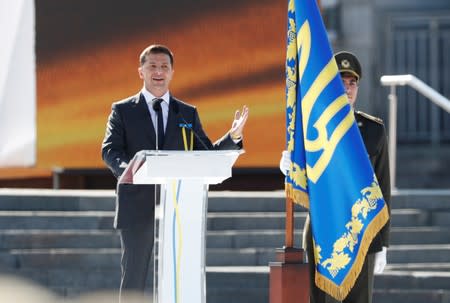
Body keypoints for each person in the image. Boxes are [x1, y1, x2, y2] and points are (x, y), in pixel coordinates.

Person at [101, 44, 249, 301]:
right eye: (152, 66)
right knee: (134, 275)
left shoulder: (186, 112)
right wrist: (129, 171)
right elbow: (110, 150)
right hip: (137, 203)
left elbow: (206, 153)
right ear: (141, 71)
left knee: (180, 273)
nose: (158, 72)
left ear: (172, 73)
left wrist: (233, 136)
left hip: (180, 206)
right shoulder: (123, 110)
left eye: (164, 67)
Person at [279, 51, 390, 303]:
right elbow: (302, 176)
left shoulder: (373, 129)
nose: (348, 88)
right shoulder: (312, 128)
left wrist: (384, 241)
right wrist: (289, 166)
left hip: (362, 229)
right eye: (341, 82)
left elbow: (383, 187)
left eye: (353, 83)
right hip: (323, 227)